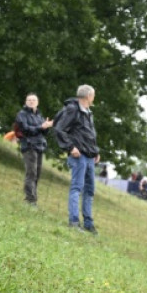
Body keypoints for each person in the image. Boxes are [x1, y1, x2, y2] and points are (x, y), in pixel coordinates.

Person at [54, 85, 100, 233]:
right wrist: (70, 147)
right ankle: (74, 222)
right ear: (88, 96)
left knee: (90, 190)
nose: (94, 98)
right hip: (78, 156)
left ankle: (88, 223)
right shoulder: (73, 109)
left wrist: (96, 151)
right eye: (93, 95)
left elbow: (89, 134)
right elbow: (59, 129)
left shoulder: (88, 112)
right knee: (77, 188)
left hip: (89, 156)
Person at [14, 93, 53, 206]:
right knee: (31, 173)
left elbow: (44, 132)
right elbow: (25, 129)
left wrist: (47, 126)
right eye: (29, 100)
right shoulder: (21, 114)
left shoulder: (39, 116)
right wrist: (41, 127)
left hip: (39, 146)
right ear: (25, 102)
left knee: (37, 174)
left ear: (37, 102)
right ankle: (30, 200)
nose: (31, 101)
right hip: (29, 146)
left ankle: (33, 198)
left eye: (33, 100)